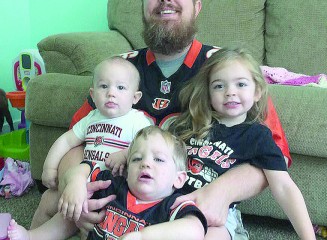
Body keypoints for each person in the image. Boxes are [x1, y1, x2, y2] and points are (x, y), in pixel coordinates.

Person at [32, 0, 292, 239]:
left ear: (197, 5)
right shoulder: (120, 70)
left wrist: (222, 190)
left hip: (186, 203)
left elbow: (274, 156)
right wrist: (75, 185)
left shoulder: (226, 69)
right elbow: (79, 138)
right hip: (122, 193)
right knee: (51, 201)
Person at [168, 47, 315, 239]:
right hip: (173, 201)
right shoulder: (190, 124)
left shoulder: (257, 136)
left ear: (257, 92)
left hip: (218, 215)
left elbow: (284, 188)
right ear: (209, 93)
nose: (230, 92)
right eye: (219, 86)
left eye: (241, 84)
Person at [8, 126, 207, 240]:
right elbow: (83, 168)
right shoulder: (113, 186)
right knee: (75, 207)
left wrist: (142, 237)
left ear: (179, 179)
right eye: (136, 159)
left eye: (159, 160)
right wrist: (76, 182)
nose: (145, 163)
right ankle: (33, 237)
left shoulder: (173, 205)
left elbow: (195, 230)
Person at [31, 56, 151, 228]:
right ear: (93, 95)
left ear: (135, 97)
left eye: (121, 87)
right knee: (48, 199)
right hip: (80, 185)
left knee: (94, 227)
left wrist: (126, 154)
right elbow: (66, 140)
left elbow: (149, 149)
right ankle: (30, 234)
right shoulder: (91, 118)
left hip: (115, 190)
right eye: (104, 86)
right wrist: (49, 168)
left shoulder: (137, 121)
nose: (111, 93)